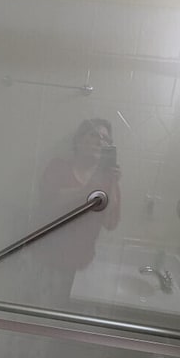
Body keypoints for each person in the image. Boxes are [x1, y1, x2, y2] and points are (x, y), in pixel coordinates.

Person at [34, 118, 121, 305]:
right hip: (51, 262)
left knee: (70, 325)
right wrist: (88, 189)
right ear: (79, 140)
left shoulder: (107, 179)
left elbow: (110, 223)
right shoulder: (58, 167)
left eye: (106, 139)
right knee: (46, 319)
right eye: (94, 135)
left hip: (84, 265)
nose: (100, 141)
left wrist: (112, 182)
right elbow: (48, 205)